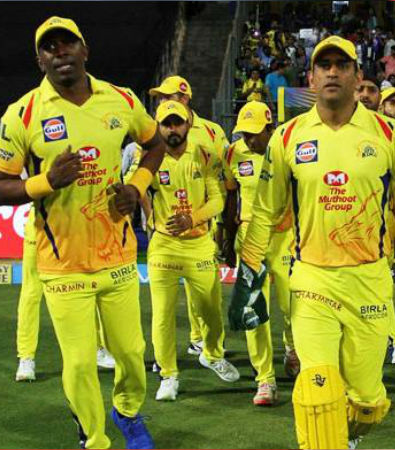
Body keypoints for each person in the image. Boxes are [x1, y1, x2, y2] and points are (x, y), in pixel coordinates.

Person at [230, 35, 395, 449]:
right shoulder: (288, 137)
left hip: (369, 281)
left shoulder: (387, 132)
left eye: (342, 65)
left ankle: (346, 436)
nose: (332, 72)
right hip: (312, 281)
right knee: (318, 390)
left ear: (357, 75)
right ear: (311, 77)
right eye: (324, 65)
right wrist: (247, 277)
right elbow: (263, 212)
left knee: (368, 403)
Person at [0, 16, 168, 449]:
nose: (60, 52)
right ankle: (94, 439)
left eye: (67, 44)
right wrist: (45, 182)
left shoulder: (121, 99)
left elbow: (155, 144)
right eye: (49, 47)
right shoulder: (22, 114)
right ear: (40, 60)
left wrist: (136, 186)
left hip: (118, 257)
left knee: (131, 354)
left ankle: (126, 411)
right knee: (78, 365)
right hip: (63, 265)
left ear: (85, 50)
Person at [142, 101, 239, 401]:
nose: (172, 129)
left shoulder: (204, 155)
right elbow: (135, 186)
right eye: (166, 124)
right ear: (158, 127)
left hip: (199, 244)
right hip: (164, 247)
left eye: (177, 122)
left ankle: (211, 354)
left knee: (211, 310)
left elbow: (218, 200)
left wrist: (192, 219)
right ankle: (168, 375)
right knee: (162, 315)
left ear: (187, 124)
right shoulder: (150, 158)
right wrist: (150, 217)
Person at [223, 101, 299, 406]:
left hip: (284, 237)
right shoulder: (233, 153)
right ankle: (265, 379)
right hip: (250, 237)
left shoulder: (287, 148)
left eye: (254, 133)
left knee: (293, 306)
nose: (249, 140)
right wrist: (228, 239)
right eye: (244, 134)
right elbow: (231, 197)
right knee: (253, 310)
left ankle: (293, 348)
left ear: (271, 128)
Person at [149, 75, 230, 357]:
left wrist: (221, 224)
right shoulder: (156, 129)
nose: (162, 101)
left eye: (167, 96)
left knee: (206, 296)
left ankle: (205, 340)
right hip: (168, 230)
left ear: (184, 98)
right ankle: (195, 340)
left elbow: (223, 179)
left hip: (204, 226)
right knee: (171, 300)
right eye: (160, 97)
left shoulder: (212, 132)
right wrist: (149, 218)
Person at [16, 204, 117, 381]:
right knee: (31, 294)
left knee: (86, 286)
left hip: (72, 233)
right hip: (40, 231)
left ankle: (96, 349)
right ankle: (26, 358)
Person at [356, 79, 395, 365]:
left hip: (389, 224)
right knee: (377, 286)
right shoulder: (361, 134)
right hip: (364, 224)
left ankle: (382, 342)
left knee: (376, 287)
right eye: (393, 103)